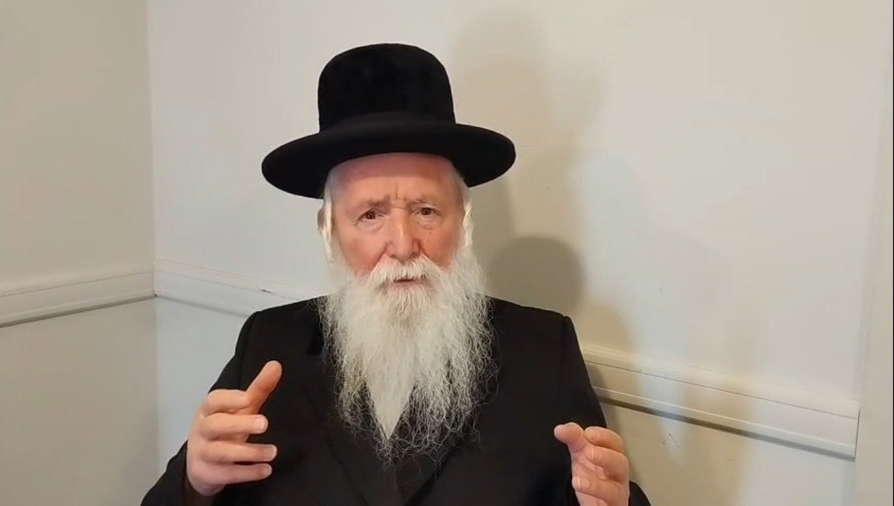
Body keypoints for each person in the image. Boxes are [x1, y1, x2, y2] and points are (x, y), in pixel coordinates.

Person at [143, 43, 651, 506]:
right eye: (370, 215)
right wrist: (195, 487)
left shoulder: (542, 349)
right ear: (329, 233)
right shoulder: (269, 342)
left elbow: (597, 489)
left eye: (427, 211)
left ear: (464, 224)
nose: (404, 245)